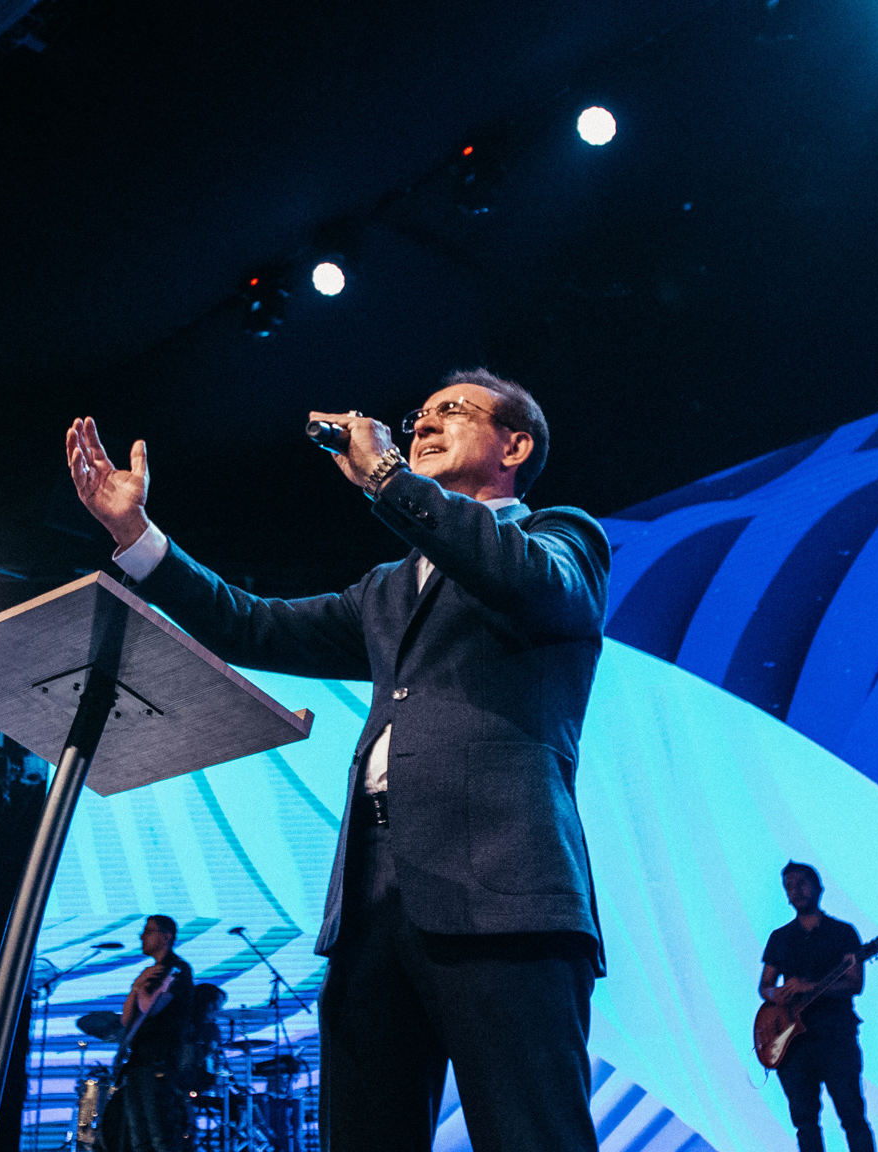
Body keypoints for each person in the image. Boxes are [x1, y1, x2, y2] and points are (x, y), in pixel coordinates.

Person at [66, 368, 610, 1152]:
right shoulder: (387, 589)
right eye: (417, 415)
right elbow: (254, 626)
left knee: (533, 1135)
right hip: (373, 903)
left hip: (503, 892)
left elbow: (524, 581)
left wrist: (387, 478)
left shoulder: (561, 540)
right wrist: (138, 541)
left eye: (451, 413)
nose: (422, 425)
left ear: (514, 446)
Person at [759, 862, 875, 1152]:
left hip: (835, 1036)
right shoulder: (779, 938)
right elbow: (765, 986)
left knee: (852, 1116)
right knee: (805, 1122)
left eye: (801, 883)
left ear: (818, 887)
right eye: (789, 886)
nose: (795, 891)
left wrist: (810, 987)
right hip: (792, 1044)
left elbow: (854, 983)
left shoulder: (843, 932)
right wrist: (779, 993)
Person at [119, 914, 195, 1152]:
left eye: (148, 930)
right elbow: (126, 1019)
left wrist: (141, 988)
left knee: (160, 1134)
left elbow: (151, 1008)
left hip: (159, 1060)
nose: (142, 936)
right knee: (139, 1137)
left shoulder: (177, 969)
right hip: (138, 1060)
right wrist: (136, 987)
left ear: (166, 937)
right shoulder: (150, 973)